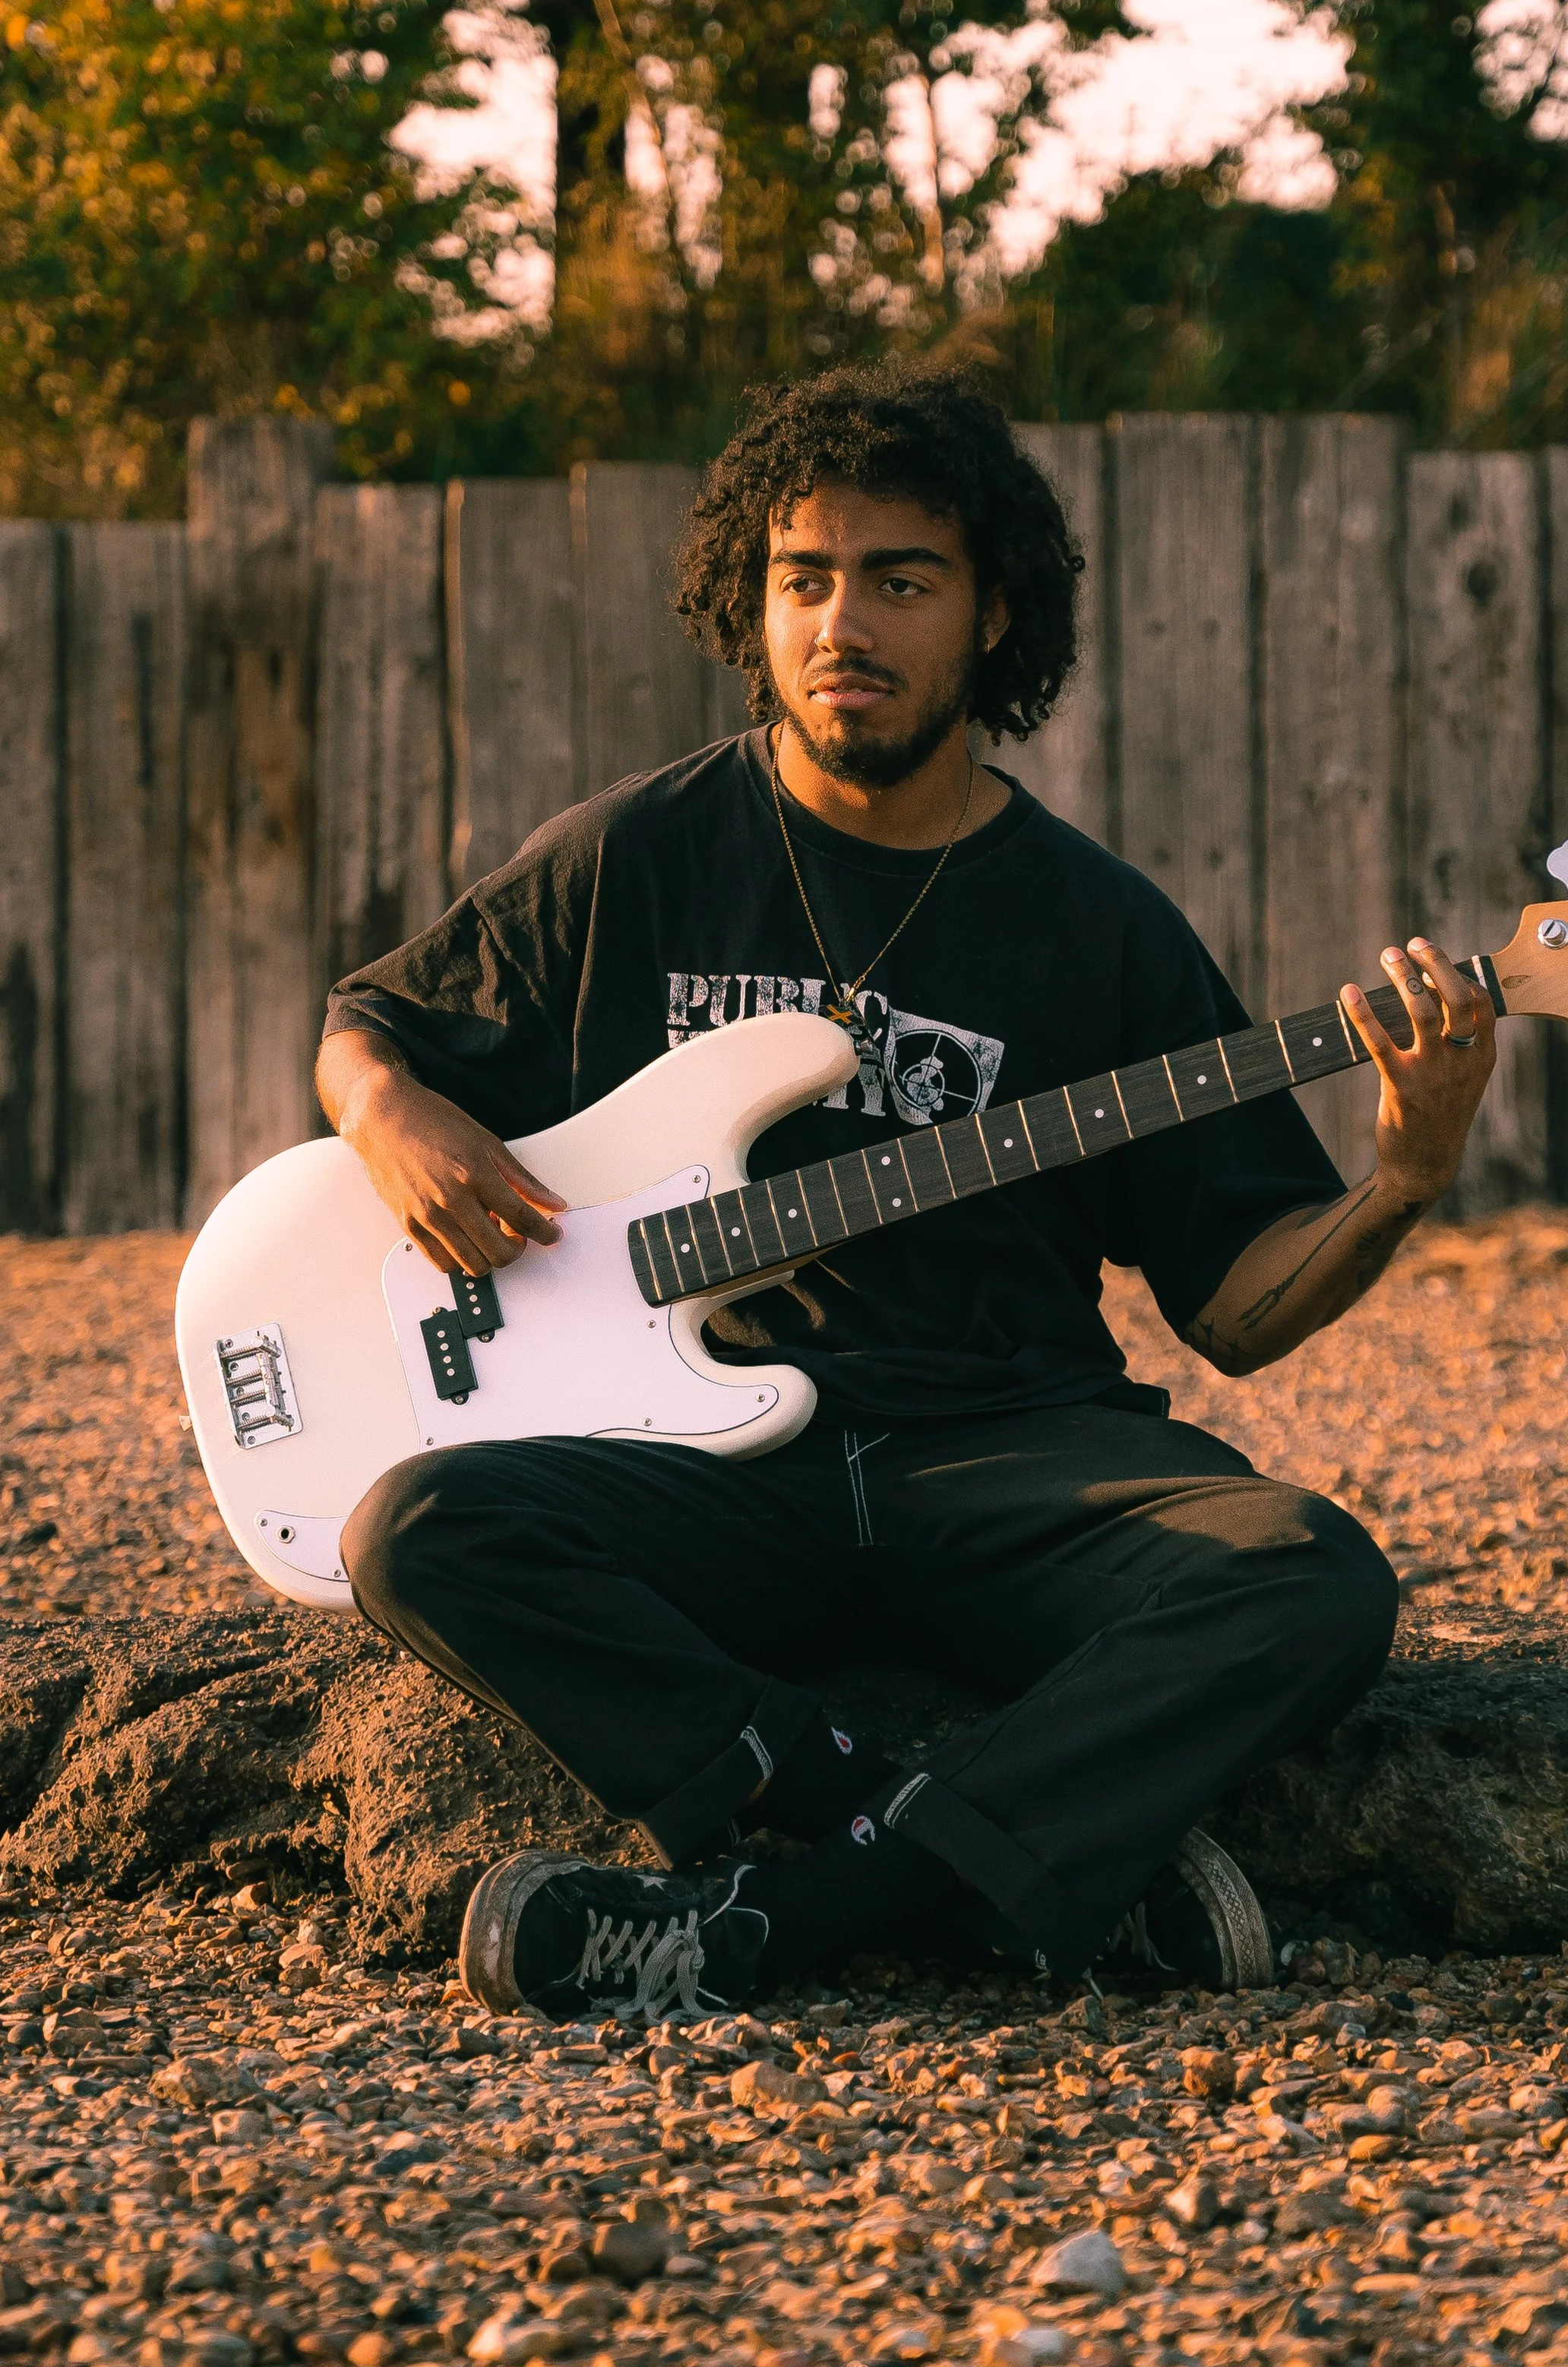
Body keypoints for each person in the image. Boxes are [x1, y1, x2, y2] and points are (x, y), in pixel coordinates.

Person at [320, 362, 1495, 2026]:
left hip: (1003, 1460)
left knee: (1305, 1575)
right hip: (708, 1471)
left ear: (991, 611)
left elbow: (1235, 1307)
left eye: (899, 578)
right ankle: (961, 1852)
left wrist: (1400, 1174)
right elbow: (372, 1021)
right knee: (419, 1525)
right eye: (803, 577)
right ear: (753, 598)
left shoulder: (1098, 925)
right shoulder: (635, 855)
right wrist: (389, 1112)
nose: (841, 622)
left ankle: (789, 1911)